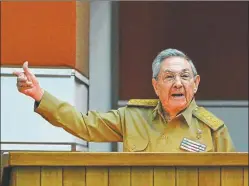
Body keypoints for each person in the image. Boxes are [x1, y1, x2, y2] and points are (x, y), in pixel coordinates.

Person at [14, 48, 235, 152]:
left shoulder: (213, 130)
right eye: (169, 77)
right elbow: (84, 125)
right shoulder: (132, 118)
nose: (178, 83)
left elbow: (232, 183)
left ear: (195, 84)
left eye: (185, 76)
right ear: (155, 86)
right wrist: (39, 95)